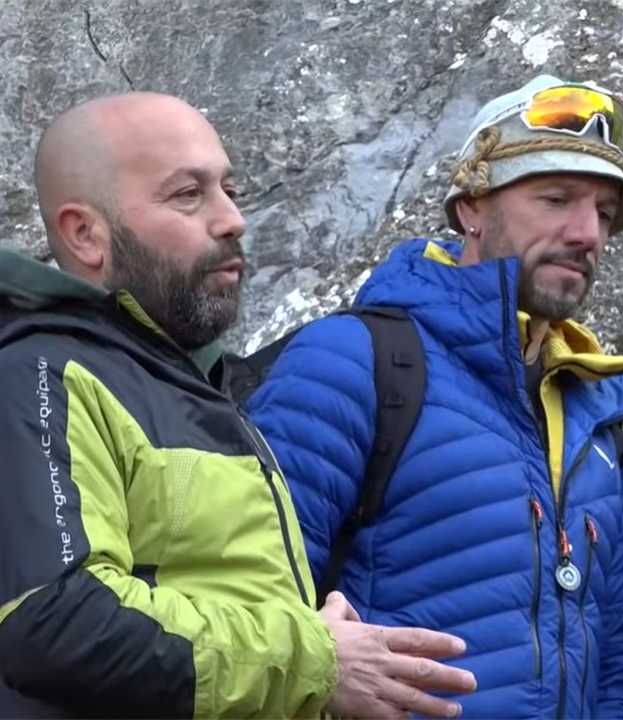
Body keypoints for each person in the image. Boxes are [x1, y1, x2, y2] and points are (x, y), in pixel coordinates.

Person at [0, 92, 476, 719]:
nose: (232, 220)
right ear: (86, 234)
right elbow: (54, 617)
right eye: (187, 195)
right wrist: (314, 659)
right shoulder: (37, 374)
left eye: (230, 189)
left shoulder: (197, 384)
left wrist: (317, 650)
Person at [248, 75, 623, 718]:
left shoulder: (595, 413)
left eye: (604, 213)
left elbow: (615, 651)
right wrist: (317, 668)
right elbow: (241, 596)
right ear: (472, 209)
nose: (588, 233)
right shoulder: (354, 361)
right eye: (556, 199)